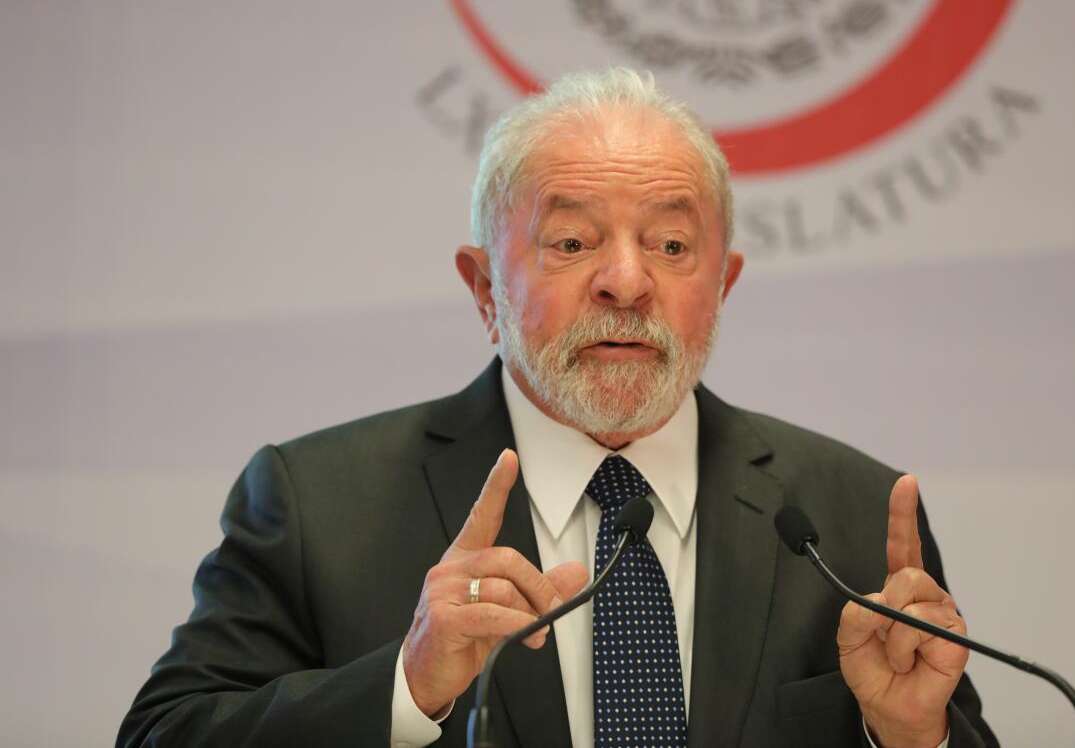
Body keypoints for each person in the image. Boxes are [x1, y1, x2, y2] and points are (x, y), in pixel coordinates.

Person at [118, 68, 997, 748]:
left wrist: (910, 737)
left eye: (672, 244)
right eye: (572, 241)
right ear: (484, 289)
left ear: (723, 287)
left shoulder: (849, 516)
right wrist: (406, 688)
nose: (627, 281)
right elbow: (164, 735)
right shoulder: (316, 503)